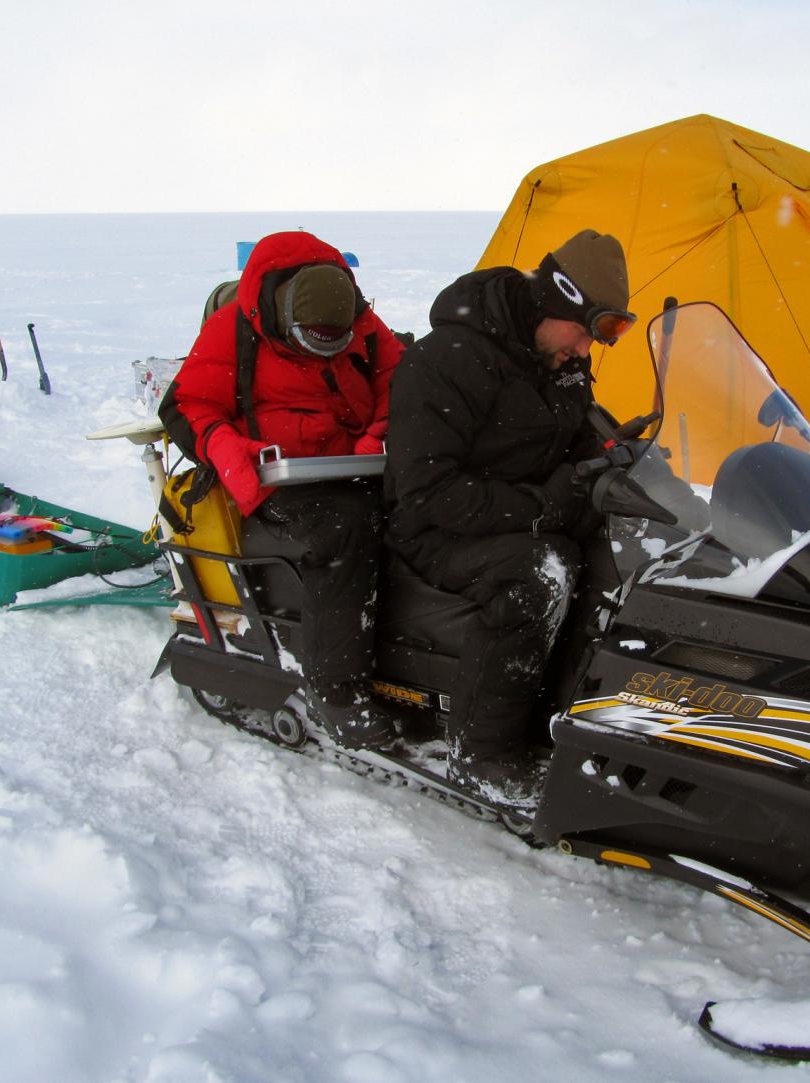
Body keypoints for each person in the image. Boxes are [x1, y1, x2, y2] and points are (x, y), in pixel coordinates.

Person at [382, 229, 635, 808]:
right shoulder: (446, 360)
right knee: (541, 571)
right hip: (437, 530)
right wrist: (542, 509)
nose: (584, 353)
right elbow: (426, 491)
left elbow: (575, 433)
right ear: (554, 304)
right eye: (583, 333)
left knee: (623, 550)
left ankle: (581, 714)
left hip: (519, 513)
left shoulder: (558, 357)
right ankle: (482, 754)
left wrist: (611, 453)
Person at [165, 230, 404, 750]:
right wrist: (224, 445)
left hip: (359, 461)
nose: (328, 353)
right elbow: (187, 405)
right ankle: (335, 690)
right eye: (315, 343)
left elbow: (398, 381)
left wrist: (374, 435)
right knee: (343, 534)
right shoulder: (233, 329)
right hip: (279, 476)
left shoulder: (361, 320)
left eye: (336, 341)